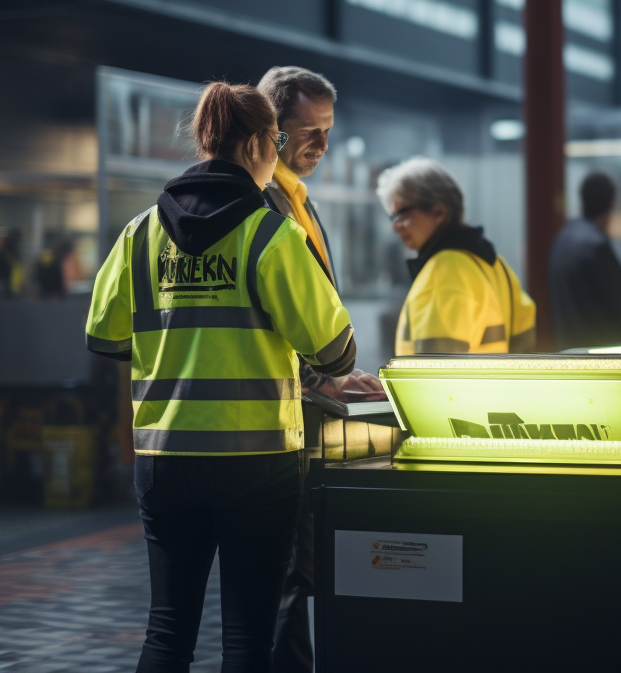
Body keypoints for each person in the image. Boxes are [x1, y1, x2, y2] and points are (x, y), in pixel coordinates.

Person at [86, 82, 357, 672]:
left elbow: (104, 338)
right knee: (246, 641)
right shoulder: (270, 234)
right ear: (260, 143)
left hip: (162, 460)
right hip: (256, 461)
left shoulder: (139, 233)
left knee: (167, 632)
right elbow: (336, 353)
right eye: (277, 140)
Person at [256, 65, 381, 673]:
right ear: (271, 128)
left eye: (329, 131)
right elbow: (263, 319)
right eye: (310, 131)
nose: (323, 146)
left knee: (292, 582)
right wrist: (320, 377)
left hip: (297, 414)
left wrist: (327, 379)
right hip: (274, 428)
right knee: (284, 583)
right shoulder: (261, 204)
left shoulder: (293, 199)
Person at [377, 157, 536, 355]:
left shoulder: (443, 272)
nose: (395, 226)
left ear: (438, 211)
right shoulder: (494, 263)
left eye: (403, 213)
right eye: (393, 217)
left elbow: (433, 376)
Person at [547, 172, 621, 349]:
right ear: (612, 203)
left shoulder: (562, 238)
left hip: (567, 352)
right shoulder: (597, 246)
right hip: (599, 355)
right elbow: (618, 311)